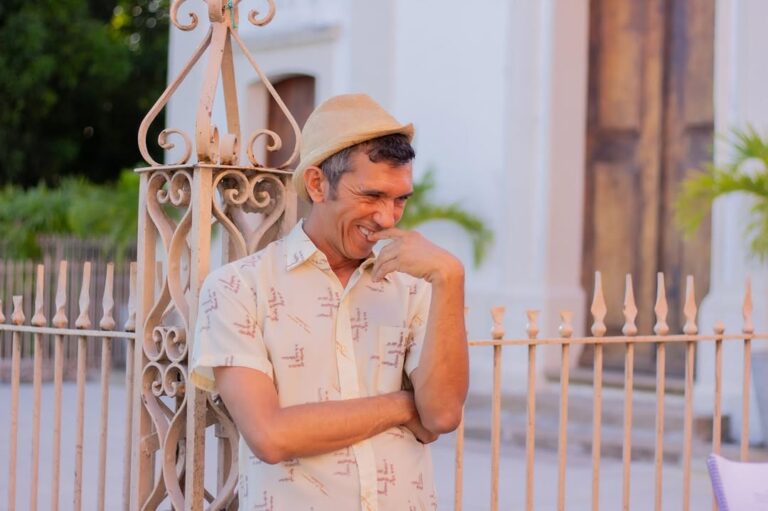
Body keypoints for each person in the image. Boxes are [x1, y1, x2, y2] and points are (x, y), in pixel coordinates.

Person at [190, 93, 469, 510]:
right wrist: (403, 404)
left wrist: (450, 277)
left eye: (399, 200)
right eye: (371, 196)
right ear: (318, 184)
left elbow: (442, 416)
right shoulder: (238, 288)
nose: (387, 217)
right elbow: (270, 435)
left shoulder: (417, 286)